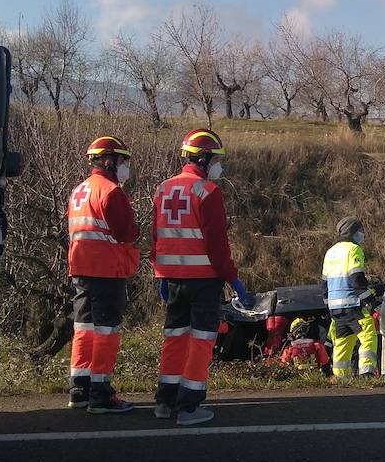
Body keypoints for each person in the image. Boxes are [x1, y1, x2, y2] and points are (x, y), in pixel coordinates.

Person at [151, 129, 252, 425]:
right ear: (205, 158)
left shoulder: (162, 189)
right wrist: (232, 278)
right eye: (217, 158)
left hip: (173, 277)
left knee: (175, 338)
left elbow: (156, 237)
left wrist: (161, 275)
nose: (220, 165)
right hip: (203, 280)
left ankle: (165, 401)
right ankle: (189, 406)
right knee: (201, 339)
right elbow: (217, 245)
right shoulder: (208, 192)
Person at [66, 135, 141, 413]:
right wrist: (138, 231)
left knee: (83, 328)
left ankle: (79, 389)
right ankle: (101, 393)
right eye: (122, 161)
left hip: (81, 268)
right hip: (106, 270)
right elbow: (125, 232)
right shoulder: (111, 191)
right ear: (109, 161)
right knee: (107, 330)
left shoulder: (79, 190)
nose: (125, 167)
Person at [322, 216, 378, 380]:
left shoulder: (330, 252)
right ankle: (366, 374)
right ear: (353, 232)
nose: (363, 233)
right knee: (368, 336)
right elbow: (357, 279)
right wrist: (371, 302)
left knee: (342, 343)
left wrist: (329, 306)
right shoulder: (354, 249)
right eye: (361, 230)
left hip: (336, 309)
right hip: (354, 305)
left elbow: (324, 284)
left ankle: (340, 378)